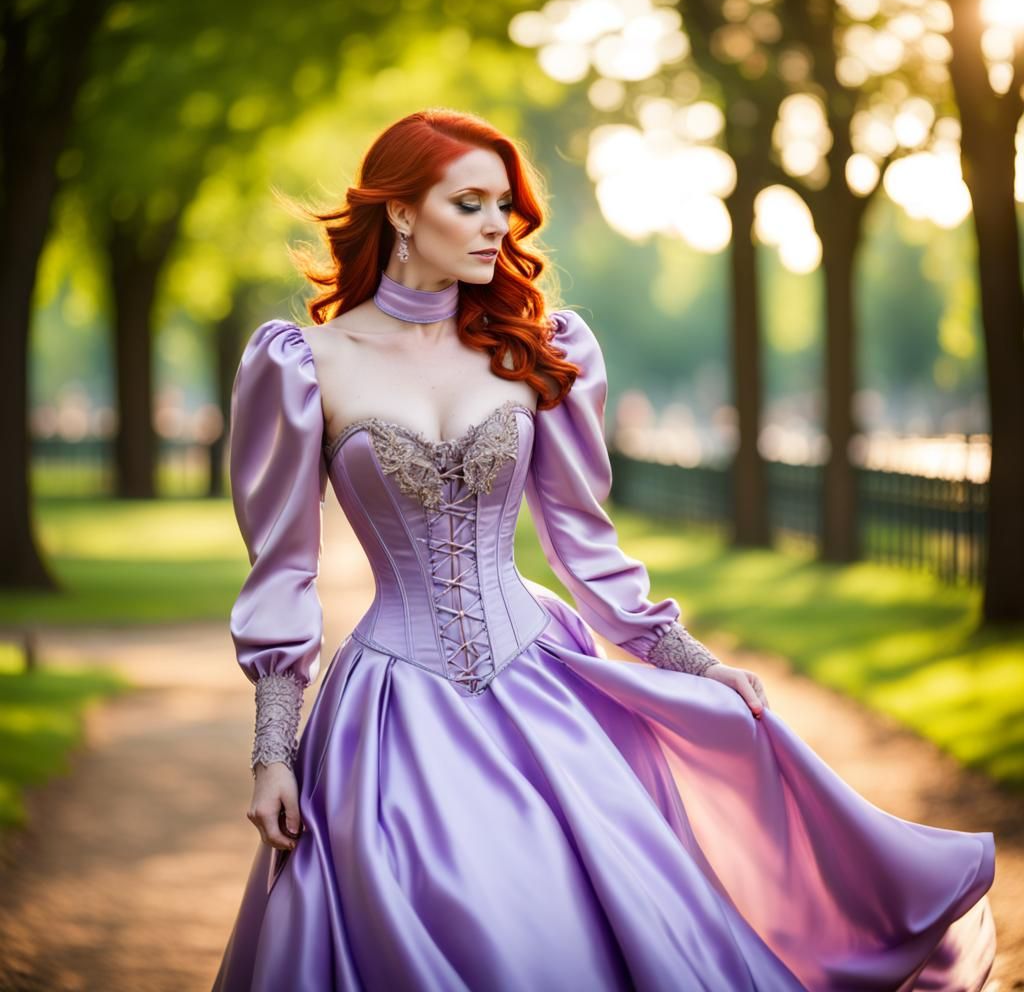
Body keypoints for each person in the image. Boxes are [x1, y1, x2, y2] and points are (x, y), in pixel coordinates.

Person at [211, 108, 996, 992]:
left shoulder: (536, 351)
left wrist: (692, 662)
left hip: (541, 684)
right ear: (399, 213)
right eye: (468, 204)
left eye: (502, 205)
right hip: (390, 715)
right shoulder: (303, 362)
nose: (495, 227)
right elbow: (284, 569)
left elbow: (584, 544)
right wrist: (273, 751)